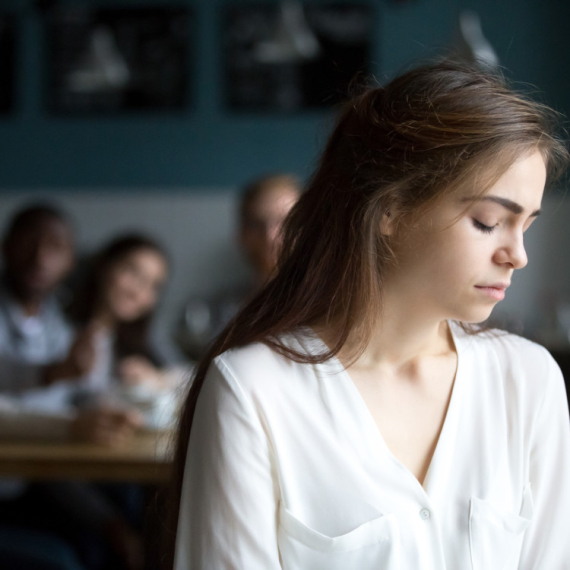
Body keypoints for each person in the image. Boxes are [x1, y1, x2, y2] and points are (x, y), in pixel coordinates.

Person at [167, 61, 570, 569]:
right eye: (489, 222)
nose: (517, 254)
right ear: (390, 211)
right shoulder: (254, 390)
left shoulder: (528, 381)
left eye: (526, 225)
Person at [0, 205, 143, 570]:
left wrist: (103, 403)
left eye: (56, 247)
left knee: (126, 511)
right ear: (6, 246)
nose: (40, 257)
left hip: (36, 481)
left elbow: (80, 392)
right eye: (29, 242)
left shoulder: (58, 322)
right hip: (16, 484)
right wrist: (55, 378)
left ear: (70, 262)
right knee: (68, 557)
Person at [179, 174, 301, 359]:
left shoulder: (328, 307)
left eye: (284, 221)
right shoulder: (219, 313)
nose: (270, 236)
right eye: (256, 224)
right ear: (241, 234)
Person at [67, 234, 184, 407]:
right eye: (132, 272)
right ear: (104, 266)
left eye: (153, 285)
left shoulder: (147, 341)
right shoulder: (59, 330)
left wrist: (157, 380)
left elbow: (191, 376)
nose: (137, 292)